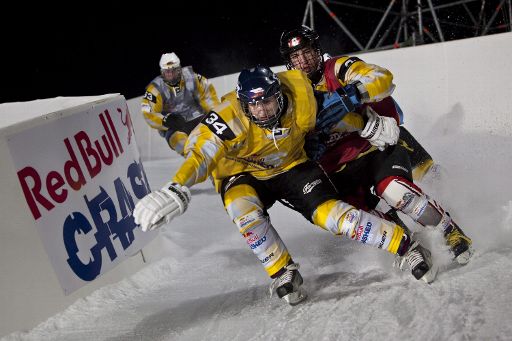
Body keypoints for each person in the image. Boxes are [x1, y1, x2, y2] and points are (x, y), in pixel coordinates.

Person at [133, 66, 436, 306]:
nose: (263, 110)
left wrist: (368, 125)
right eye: (255, 105)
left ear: (279, 95)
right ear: (242, 105)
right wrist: (175, 187)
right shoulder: (226, 120)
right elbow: (200, 155)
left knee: (334, 217)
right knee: (245, 213)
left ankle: (405, 245)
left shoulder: (301, 97)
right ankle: (281, 270)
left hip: (292, 166)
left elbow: (331, 116)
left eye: (268, 100)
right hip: (241, 173)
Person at [279, 26, 473, 264]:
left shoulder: (338, 68)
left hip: (375, 145)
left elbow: (381, 77)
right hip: (338, 171)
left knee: (411, 186)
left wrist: (353, 93)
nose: (303, 61)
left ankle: (449, 226)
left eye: (306, 52)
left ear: (317, 51)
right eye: (295, 56)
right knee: (364, 215)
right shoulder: (289, 96)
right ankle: (409, 245)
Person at [141, 52, 220, 156]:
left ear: (179, 69)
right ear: (162, 71)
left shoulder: (193, 78)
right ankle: (195, 161)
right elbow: (148, 112)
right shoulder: (155, 88)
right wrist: (165, 120)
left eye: (172, 70)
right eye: (166, 71)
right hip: (174, 127)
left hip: (198, 118)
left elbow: (208, 97)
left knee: (217, 137)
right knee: (182, 144)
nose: (169, 74)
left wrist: (216, 115)